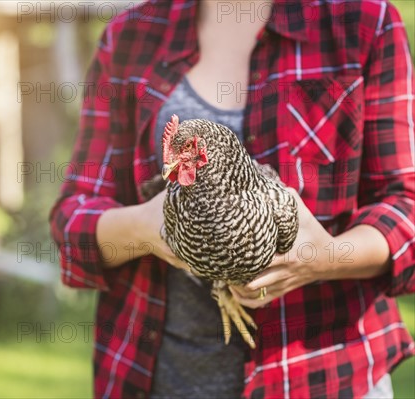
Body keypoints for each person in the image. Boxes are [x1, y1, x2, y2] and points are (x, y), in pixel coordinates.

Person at [49, 0, 415, 397]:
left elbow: (406, 207)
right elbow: (73, 222)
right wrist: (144, 228)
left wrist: (324, 257)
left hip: (321, 374)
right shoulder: (131, 34)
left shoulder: (361, 21)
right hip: (162, 376)